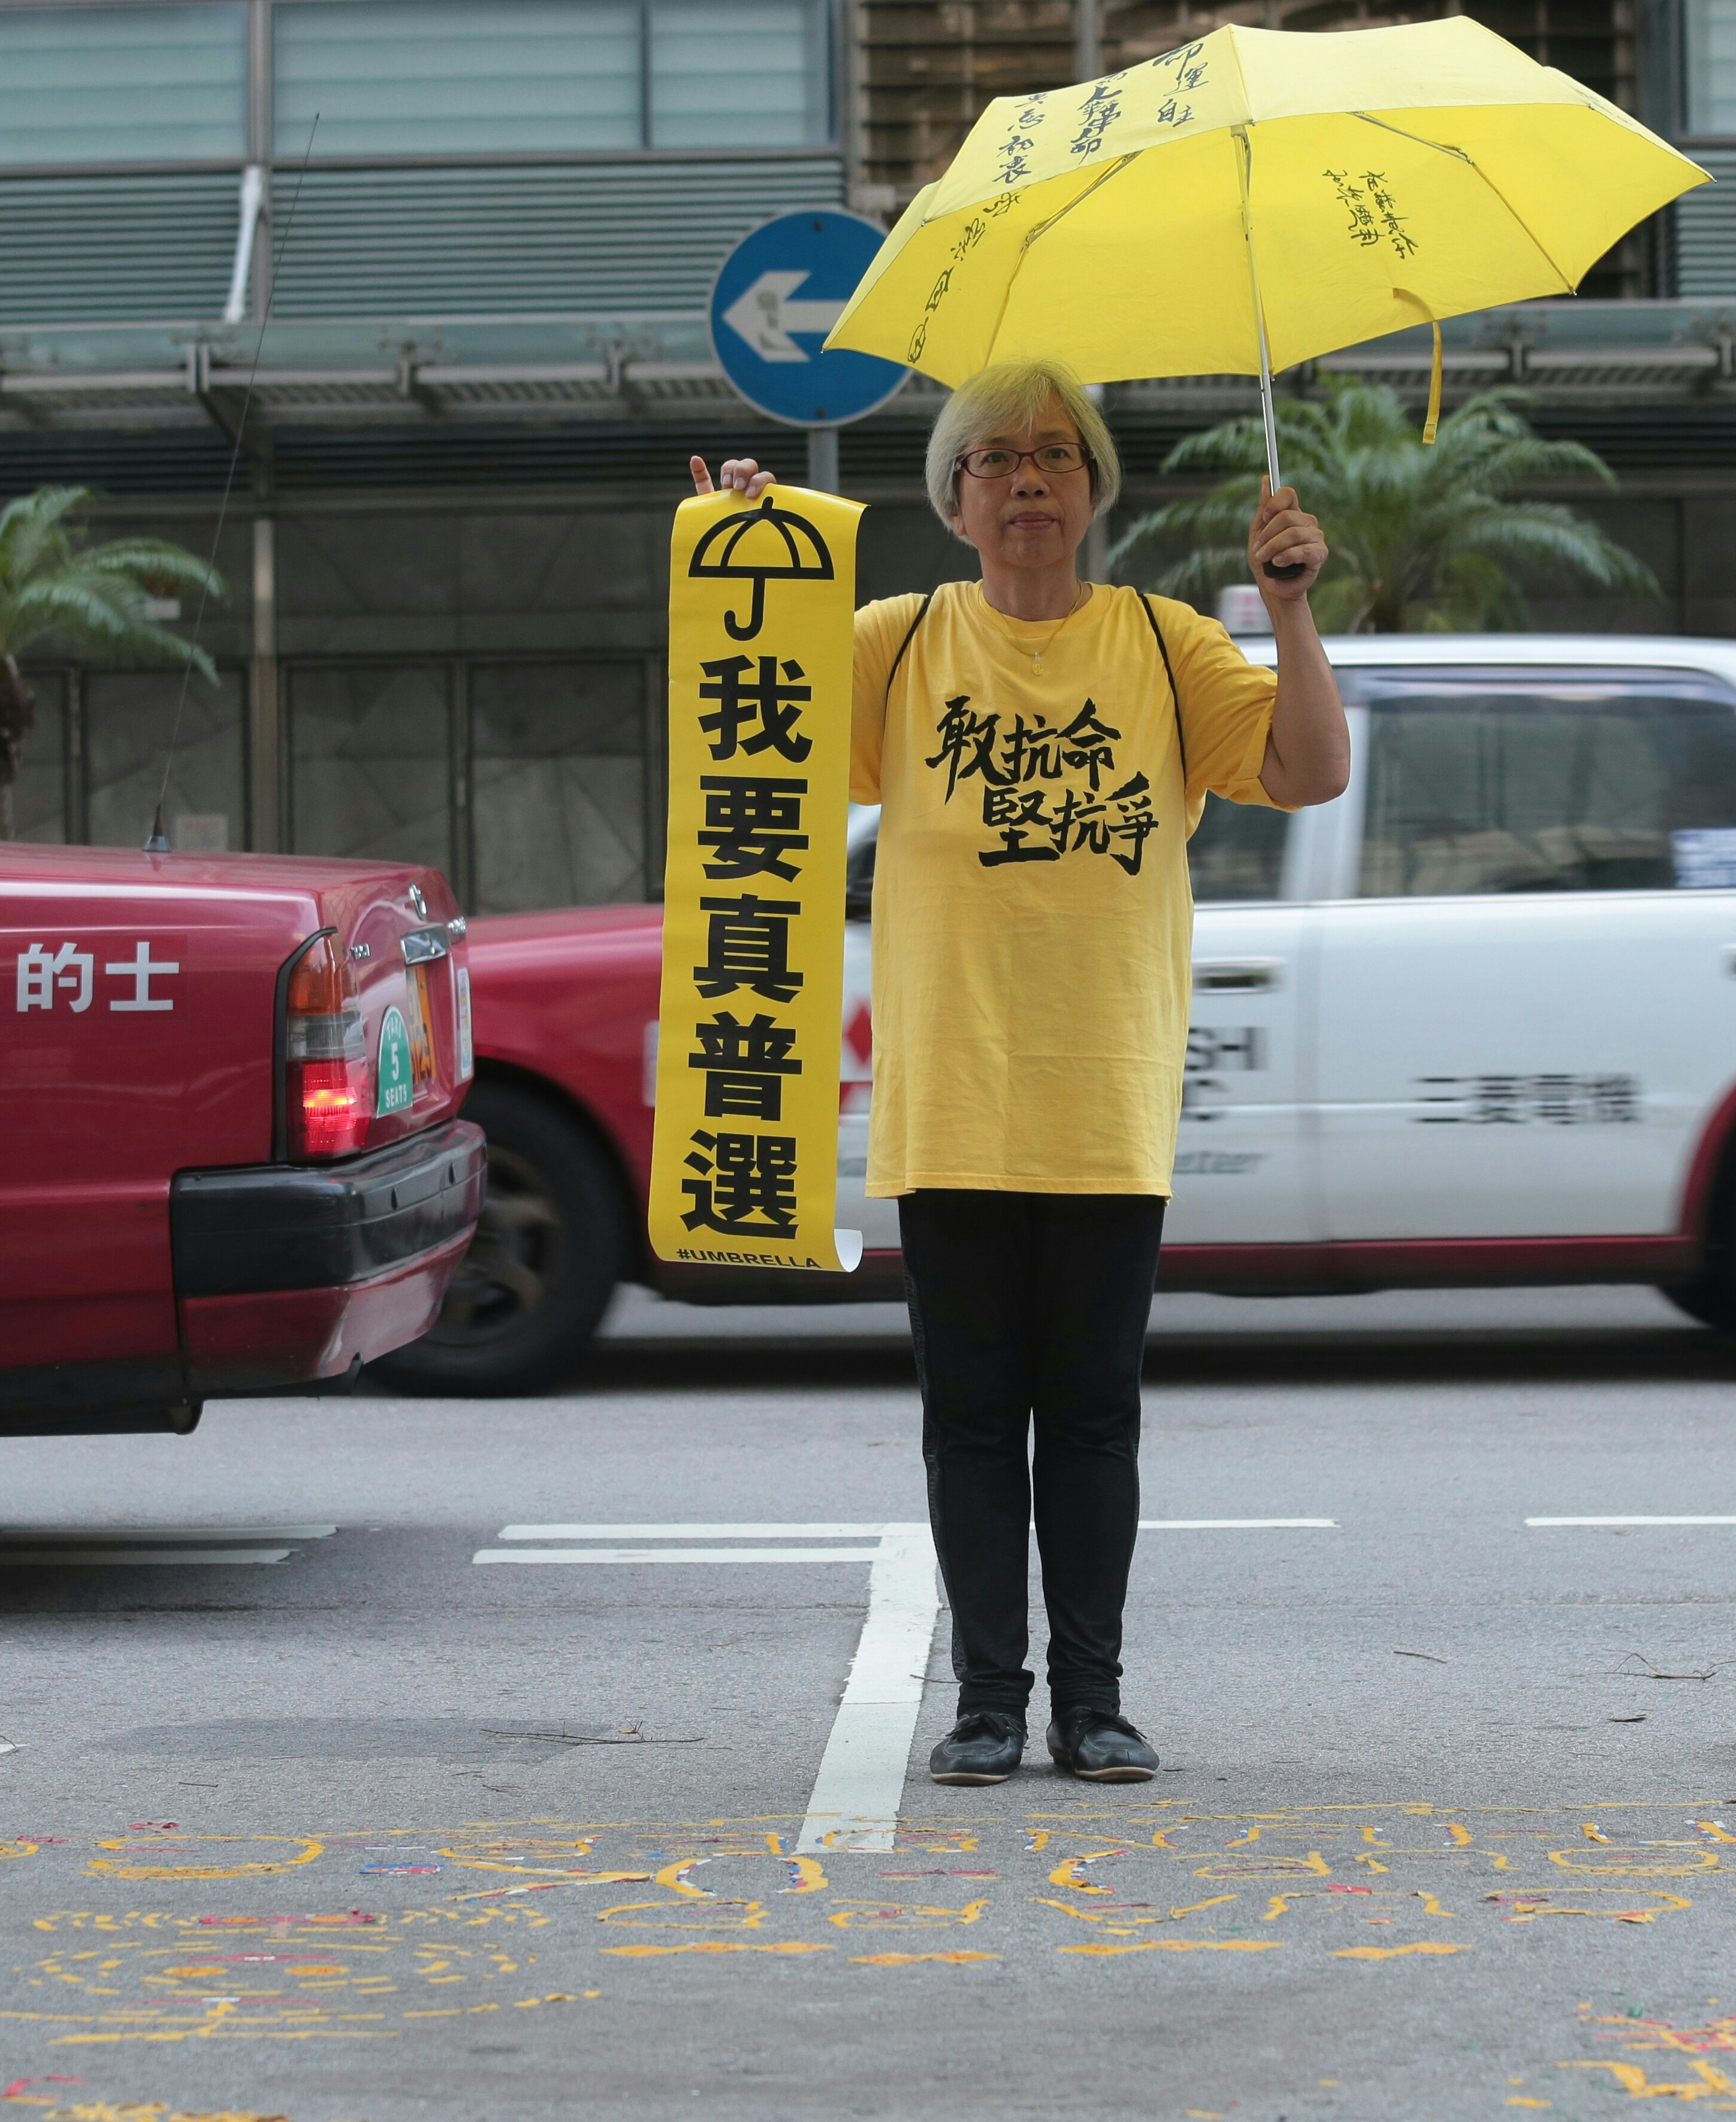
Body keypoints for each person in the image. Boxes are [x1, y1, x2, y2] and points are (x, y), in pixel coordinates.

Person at [687, 357, 1344, 1787]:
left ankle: (1091, 1701)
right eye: (996, 455)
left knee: (1093, 1417)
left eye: (1056, 452)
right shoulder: (896, 639)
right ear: (955, 495)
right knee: (972, 1419)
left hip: (1102, 1096)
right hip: (952, 1101)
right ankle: (989, 1696)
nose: (1028, 476)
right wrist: (744, 549)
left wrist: (1287, 607)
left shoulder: (1166, 643)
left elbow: (1306, 771)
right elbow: (744, 720)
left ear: (1095, 489)